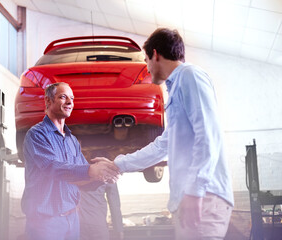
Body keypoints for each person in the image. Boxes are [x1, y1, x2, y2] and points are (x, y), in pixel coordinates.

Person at [93, 28, 234, 240]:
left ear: (156, 54)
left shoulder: (190, 76)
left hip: (204, 197)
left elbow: (208, 135)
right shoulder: (177, 87)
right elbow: (162, 146)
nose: (147, 67)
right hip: (192, 199)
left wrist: (196, 191)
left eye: (146, 60)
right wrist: (117, 164)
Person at [21, 82, 119, 240]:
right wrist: (90, 170)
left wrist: (103, 174)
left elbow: (80, 177)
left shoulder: (72, 140)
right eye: (63, 97)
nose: (70, 102)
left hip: (72, 219)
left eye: (72, 99)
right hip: (45, 222)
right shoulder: (37, 135)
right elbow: (52, 168)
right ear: (48, 101)